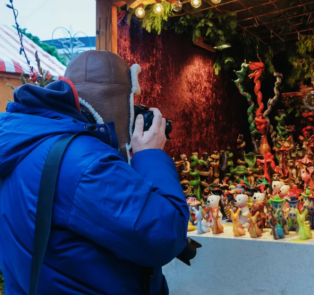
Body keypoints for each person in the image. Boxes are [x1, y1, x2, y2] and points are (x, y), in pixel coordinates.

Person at [0, 51, 189, 295]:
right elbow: (165, 235)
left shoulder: (26, 141)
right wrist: (150, 156)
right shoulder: (87, 163)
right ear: (121, 102)